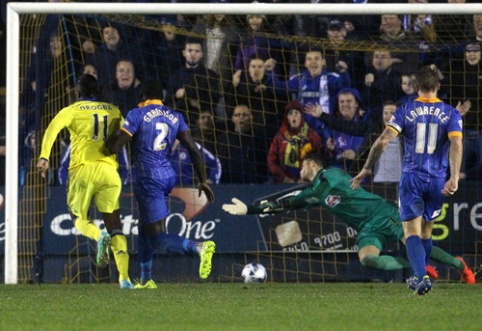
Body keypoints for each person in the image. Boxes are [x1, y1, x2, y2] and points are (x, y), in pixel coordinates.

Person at [222, 152, 475, 285]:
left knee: (418, 242)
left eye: (303, 167)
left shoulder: (330, 175)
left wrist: (310, 195)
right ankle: (417, 268)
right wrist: (250, 209)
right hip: (366, 227)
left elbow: (322, 189)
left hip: (382, 213)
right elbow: (286, 204)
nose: (301, 171)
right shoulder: (315, 193)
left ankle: (461, 267)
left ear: (312, 164)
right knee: (368, 259)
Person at [351, 66, 464, 295]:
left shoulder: (405, 110)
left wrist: (366, 168)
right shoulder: (451, 113)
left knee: (410, 231)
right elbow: (456, 144)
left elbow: (383, 141)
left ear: (416, 88)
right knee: (427, 232)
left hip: (412, 178)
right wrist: (454, 177)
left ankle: (421, 276)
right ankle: (421, 274)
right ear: (438, 87)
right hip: (437, 180)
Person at [105, 79, 216, 289]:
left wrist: (106, 140)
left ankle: (198, 247)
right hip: (167, 175)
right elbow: (193, 148)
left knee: (157, 236)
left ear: (141, 96)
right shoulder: (175, 116)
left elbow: (115, 146)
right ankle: (146, 279)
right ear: (162, 97)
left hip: (148, 179)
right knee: (145, 227)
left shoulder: (136, 114)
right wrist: (203, 180)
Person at [36, 74, 134, 289]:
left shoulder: (71, 111)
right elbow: (126, 134)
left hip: (83, 170)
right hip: (109, 172)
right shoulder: (114, 110)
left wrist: (44, 156)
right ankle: (125, 278)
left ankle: (99, 236)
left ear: (78, 91)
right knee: (115, 225)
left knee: (77, 216)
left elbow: (52, 129)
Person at [267, 100, 324, 183]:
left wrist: (307, 177)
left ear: (301, 117)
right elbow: (271, 161)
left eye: (296, 113)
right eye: (290, 114)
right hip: (283, 183)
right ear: (287, 118)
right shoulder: (279, 137)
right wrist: (284, 178)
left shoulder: (311, 135)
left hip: (308, 182)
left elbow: (319, 158)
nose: (293, 116)